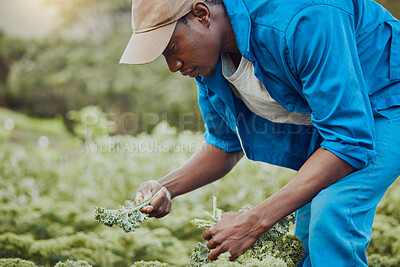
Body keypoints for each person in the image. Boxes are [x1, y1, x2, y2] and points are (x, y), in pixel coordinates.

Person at [119, 0, 400, 265]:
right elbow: (223, 145)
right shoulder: (208, 65)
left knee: (331, 214)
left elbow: (349, 140)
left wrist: (255, 220)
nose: (173, 66)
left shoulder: (303, 19)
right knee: (304, 238)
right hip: (339, 124)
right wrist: (165, 187)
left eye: (171, 48)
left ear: (202, 14)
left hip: (387, 96)